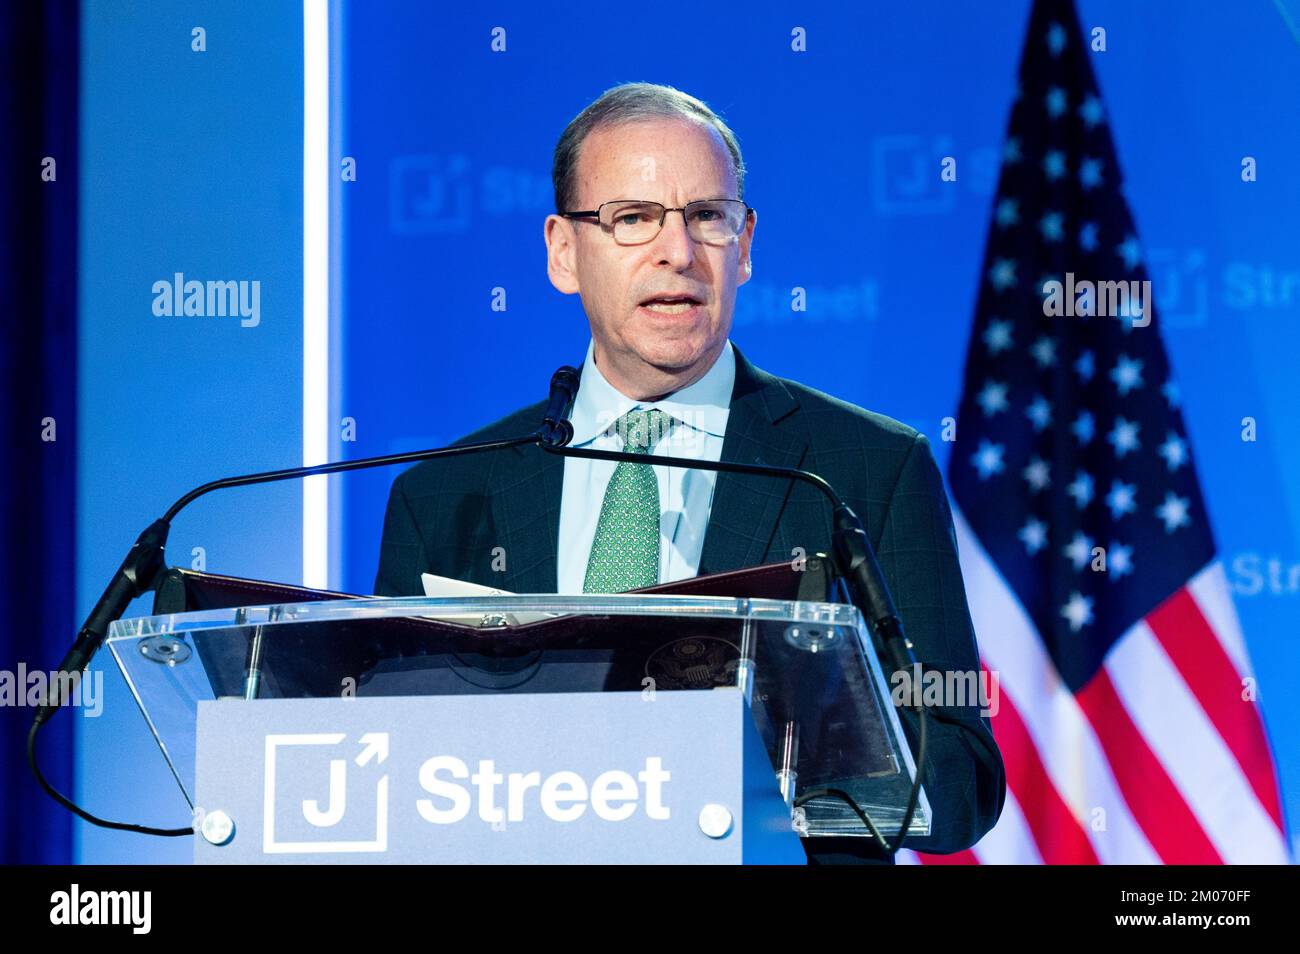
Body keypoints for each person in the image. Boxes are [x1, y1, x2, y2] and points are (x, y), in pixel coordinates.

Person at [375, 82, 1005, 864]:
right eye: (633, 218)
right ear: (563, 253)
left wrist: (789, 739)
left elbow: (961, 781)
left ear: (743, 246)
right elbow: (391, 766)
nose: (678, 251)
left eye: (708, 217)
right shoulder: (444, 497)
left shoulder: (867, 468)